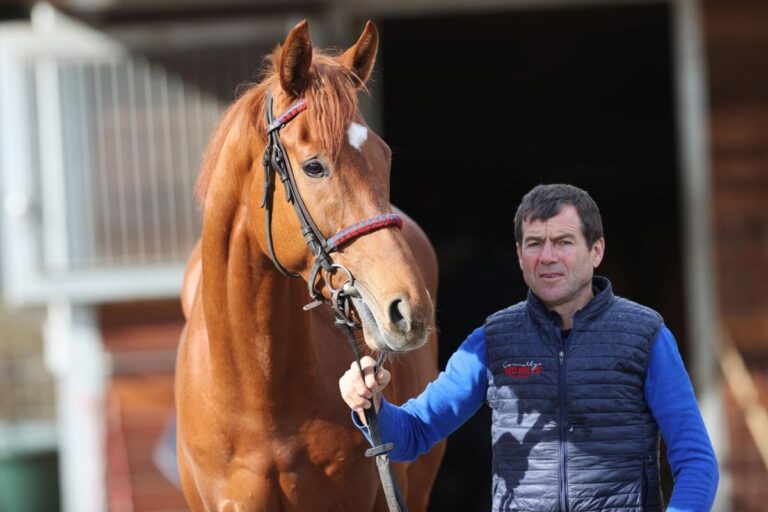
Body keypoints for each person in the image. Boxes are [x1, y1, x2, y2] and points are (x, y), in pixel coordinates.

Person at [339, 184, 718, 511]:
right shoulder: (494, 339)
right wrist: (371, 406)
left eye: (564, 242)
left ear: (596, 251)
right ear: (520, 256)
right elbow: (412, 434)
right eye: (534, 244)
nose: (548, 257)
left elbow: (696, 460)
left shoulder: (645, 335)